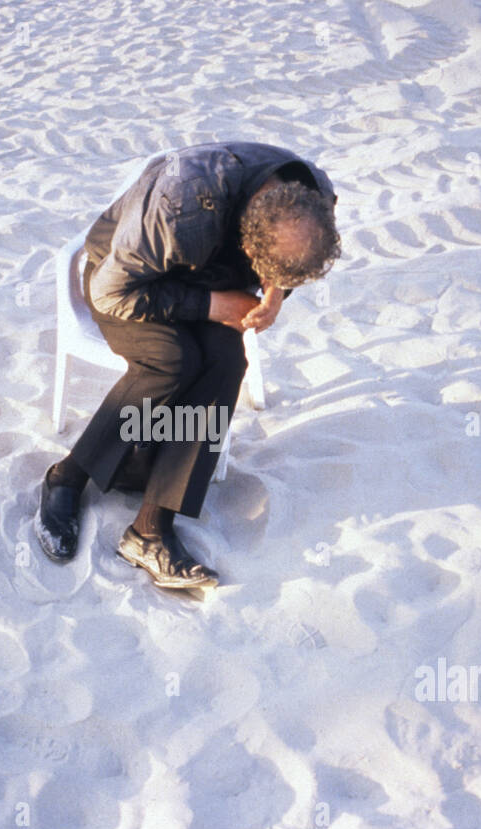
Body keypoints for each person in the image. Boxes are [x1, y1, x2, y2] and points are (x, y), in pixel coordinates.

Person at [37, 141, 341, 589]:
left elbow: (288, 261)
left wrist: (275, 295)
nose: (267, 284)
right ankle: (67, 476)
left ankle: (149, 530)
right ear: (246, 240)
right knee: (173, 360)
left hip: (204, 268)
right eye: (265, 275)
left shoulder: (314, 196)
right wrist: (212, 304)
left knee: (225, 360)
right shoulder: (179, 208)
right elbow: (109, 293)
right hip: (128, 280)